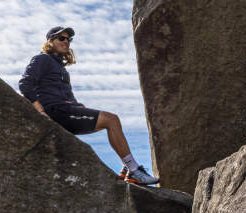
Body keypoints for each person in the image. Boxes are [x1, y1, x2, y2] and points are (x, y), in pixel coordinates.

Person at [18, 25, 160, 186]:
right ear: (50, 41)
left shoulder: (59, 66)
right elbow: (25, 83)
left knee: (111, 122)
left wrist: (78, 106)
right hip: (57, 112)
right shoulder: (42, 59)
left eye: (68, 39)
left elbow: (62, 93)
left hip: (66, 110)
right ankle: (133, 169)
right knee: (111, 120)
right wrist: (40, 111)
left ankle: (128, 169)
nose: (66, 42)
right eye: (61, 38)